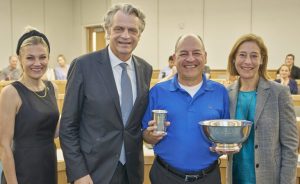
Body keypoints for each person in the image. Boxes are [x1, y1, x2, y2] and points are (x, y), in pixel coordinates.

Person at [59, 3, 152, 184]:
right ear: (107, 31)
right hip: (92, 173)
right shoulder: (83, 66)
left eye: (132, 30)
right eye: (119, 29)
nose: (126, 35)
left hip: (131, 173)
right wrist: (78, 173)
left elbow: (133, 124)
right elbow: (68, 127)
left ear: (139, 35)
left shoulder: (145, 69)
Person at [142, 34, 230, 184]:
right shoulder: (157, 92)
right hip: (165, 177)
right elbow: (144, 135)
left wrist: (224, 145)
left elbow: (225, 136)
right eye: (183, 53)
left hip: (208, 178)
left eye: (196, 53)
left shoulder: (220, 92)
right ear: (175, 58)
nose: (190, 59)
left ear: (205, 57)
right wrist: (150, 136)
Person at [226, 33, 298, 184]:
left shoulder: (279, 93)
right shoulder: (227, 94)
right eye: (242, 55)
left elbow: (290, 147)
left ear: (262, 59)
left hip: (269, 178)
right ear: (234, 58)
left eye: (254, 56)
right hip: (236, 178)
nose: (248, 61)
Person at [0, 27, 60, 184]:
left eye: (42, 57)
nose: (37, 63)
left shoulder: (52, 88)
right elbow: (4, 145)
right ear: (20, 59)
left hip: (48, 162)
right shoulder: (10, 92)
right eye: (30, 58)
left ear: (48, 58)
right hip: (22, 169)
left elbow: (54, 132)